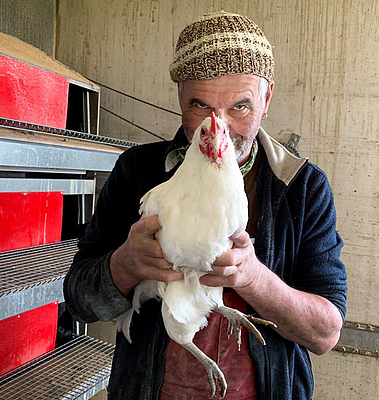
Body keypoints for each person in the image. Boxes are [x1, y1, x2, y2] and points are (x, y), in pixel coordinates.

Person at [64, 11, 347, 400]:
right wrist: (126, 264)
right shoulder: (139, 172)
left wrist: (253, 278)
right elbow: (79, 301)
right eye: (200, 105)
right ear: (179, 95)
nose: (218, 126)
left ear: (266, 99)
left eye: (240, 107)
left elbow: (325, 333)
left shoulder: (301, 187)